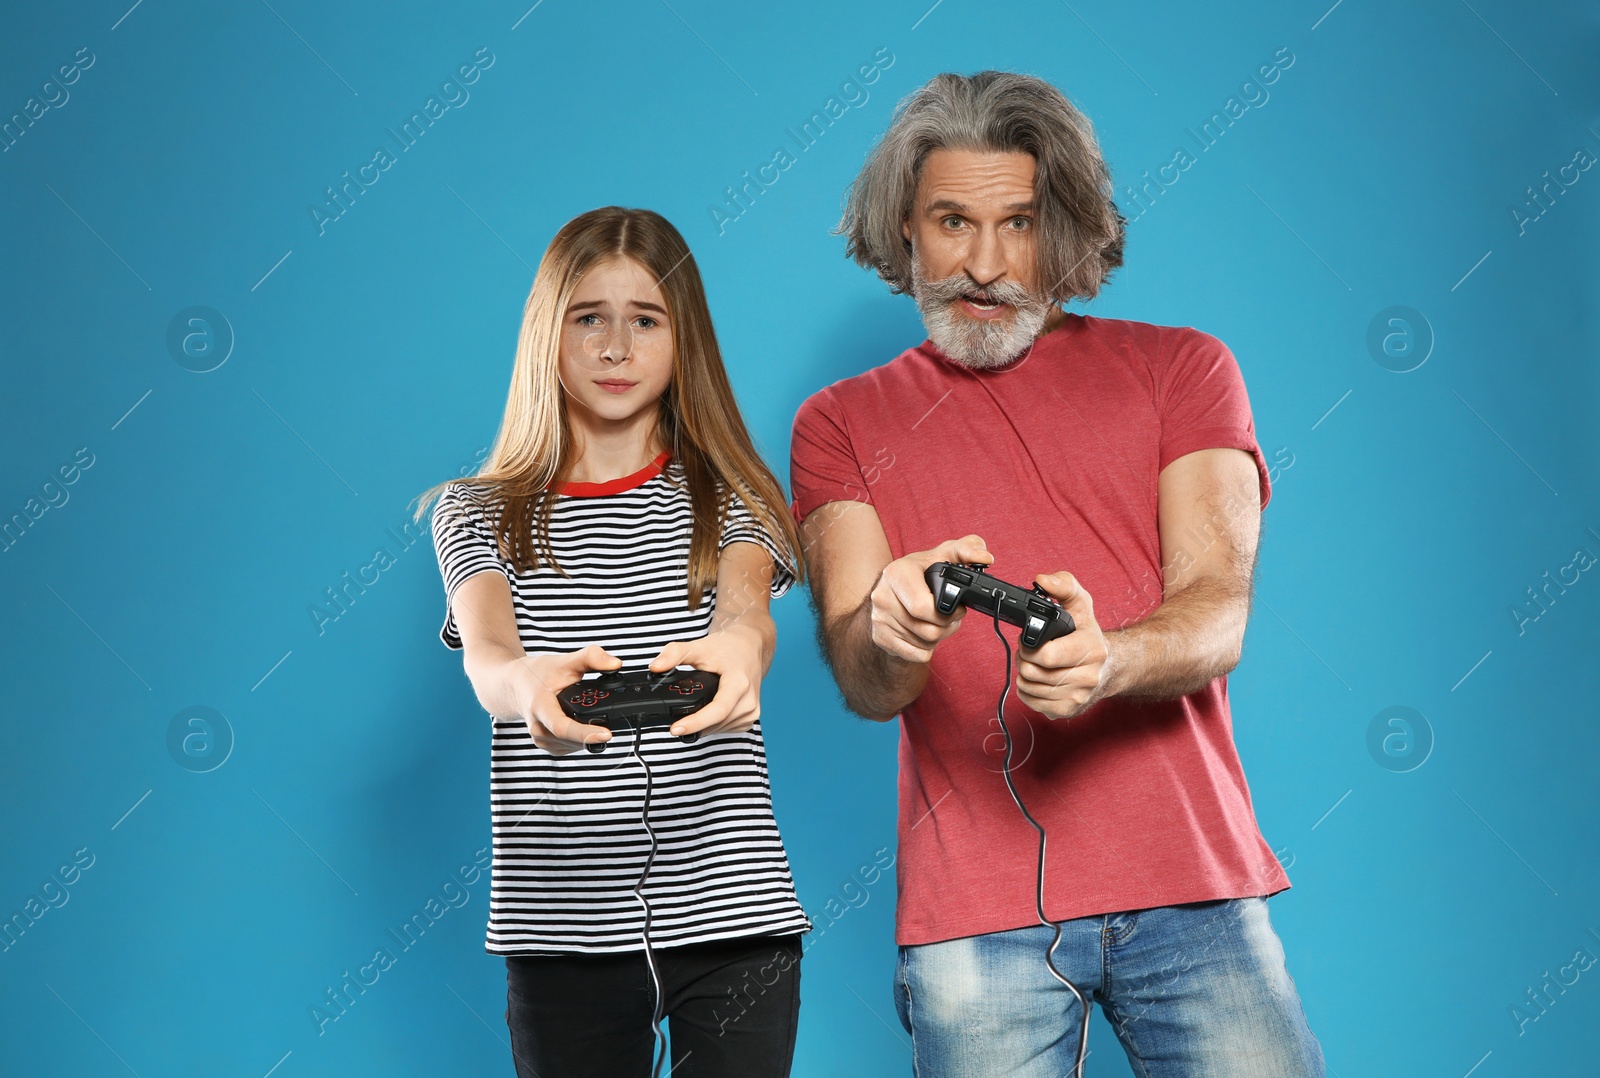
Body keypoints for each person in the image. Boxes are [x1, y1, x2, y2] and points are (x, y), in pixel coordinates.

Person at [790, 72, 1325, 1076]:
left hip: (1191, 884)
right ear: (904, 224)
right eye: (952, 221)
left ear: (1067, 229)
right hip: (972, 914)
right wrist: (894, 628)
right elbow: (867, 683)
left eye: (1020, 223)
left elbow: (1217, 612)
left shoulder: (1185, 369)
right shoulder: (838, 422)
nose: (985, 265)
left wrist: (1108, 660)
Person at [421, 207, 810, 1078]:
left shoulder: (736, 495)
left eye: (645, 321)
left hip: (732, 910)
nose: (614, 348)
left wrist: (741, 652)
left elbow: (747, 612)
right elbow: (487, 654)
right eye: (588, 317)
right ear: (547, 333)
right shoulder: (475, 511)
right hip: (559, 919)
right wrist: (527, 690)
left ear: (684, 342)